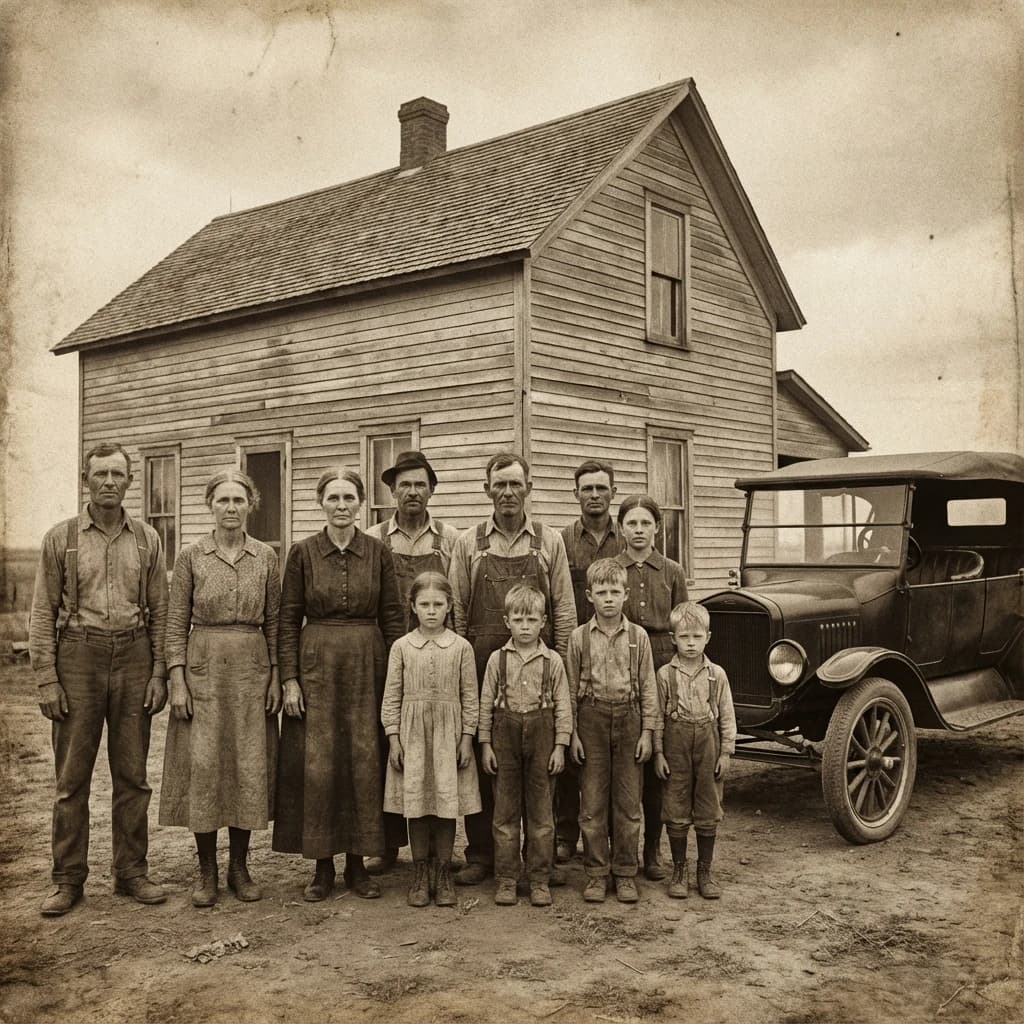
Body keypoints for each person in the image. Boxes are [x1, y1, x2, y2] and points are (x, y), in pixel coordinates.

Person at [29, 442, 169, 916]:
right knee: (72, 779)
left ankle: (131, 872)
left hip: (133, 655)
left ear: (131, 482)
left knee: (132, 774)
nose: (109, 482)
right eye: (100, 474)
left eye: (118, 475)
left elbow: (162, 613)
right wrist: (47, 679)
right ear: (85, 480)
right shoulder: (61, 538)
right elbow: (41, 613)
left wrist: (159, 673)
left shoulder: (147, 539)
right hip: (78, 657)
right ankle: (68, 878)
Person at [273, 468, 405, 900]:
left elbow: (392, 616)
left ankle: (358, 865)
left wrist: (395, 679)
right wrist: (290, 679)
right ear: (321, 503)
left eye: (350, 498)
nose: (342, 506)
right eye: (333, 498)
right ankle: (322, 867)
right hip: (317, 666)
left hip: (369, 665)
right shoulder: (302, 553)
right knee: (320, 764)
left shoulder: (378, 552)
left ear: (361, 503)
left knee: (364, 761)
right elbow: (288, 619)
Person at [448, 452, 576, 884]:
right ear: (487, 490)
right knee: (489, 769)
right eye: (499, 484)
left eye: (515, 484)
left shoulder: (548, 541)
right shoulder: (469, 543)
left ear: (528, 489)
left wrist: (563, 674)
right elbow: (457, 613)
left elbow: (564, 611)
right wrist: (464, 675)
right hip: (484, 667)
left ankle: (538, 860)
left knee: (540, 771)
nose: (507, 492)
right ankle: (483, 855)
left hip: (540, 672)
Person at [160, 469, 282, 907]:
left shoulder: (265, 556)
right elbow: (176, 621)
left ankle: (240, 868)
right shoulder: (192, 555)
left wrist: (274, 674)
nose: (231, 508)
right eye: (222, 500)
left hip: (251, 668)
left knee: (248, 765)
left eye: (238, 500)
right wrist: (177, 677)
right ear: (209, 505)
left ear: (251, 505)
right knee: (206, 766)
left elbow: (274, 621)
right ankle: (207, 870)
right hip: (203, 666)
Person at [365, 449, 460, 875]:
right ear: (391, 490)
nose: (413, 492)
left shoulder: (451, 539)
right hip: (388, 652)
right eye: (404, 485)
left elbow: (459, 602)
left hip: (437, 658)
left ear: (432, 490)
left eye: (421, 484)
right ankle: (386, 844)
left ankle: (442, 850)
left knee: (441, 748)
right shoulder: (373, 538)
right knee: (389, 746)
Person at [380, 572, 480, 908]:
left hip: (449, 736)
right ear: (413, 606)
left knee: (446, 805)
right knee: (418, 805)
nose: (432, 611)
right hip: (413, 736)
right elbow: (391, 697)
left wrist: (467, 738)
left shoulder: (461, 647)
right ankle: (420, 872)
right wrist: (394, 738)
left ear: (450, 606)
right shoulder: (402, 647)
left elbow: (470, 696)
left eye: (439, 604)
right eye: (425, 604)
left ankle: (442, 872)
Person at [567, 558, 659, 904]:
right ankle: (595, 872)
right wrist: (572, 734)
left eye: (614, 592)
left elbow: (649, 687)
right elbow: (570, 691)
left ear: (625, 595)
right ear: (589, 596)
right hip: (590, 720)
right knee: (591, 802)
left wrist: (648, 732)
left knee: (628, 802)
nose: (608, 598)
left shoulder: (639, 637)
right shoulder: (578, 638)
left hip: (629, 718)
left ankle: (624, 872)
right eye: (601, 592)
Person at [478, 584, 572, 908]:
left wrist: (560, 746)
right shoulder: (496, 660)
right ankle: (506, 877)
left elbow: (563, 707)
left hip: (542, 736)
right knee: (504, 811)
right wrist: (485, 744)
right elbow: (485, 704)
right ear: (507, 622)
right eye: (518, 619)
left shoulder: (554, 661)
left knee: (541, 813)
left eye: (532, 619)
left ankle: (539, 878)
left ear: (544, 621)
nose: (525, 626)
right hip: (504, 735)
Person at [615, 494, 688, 883]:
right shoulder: (611, 569)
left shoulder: (672, 571)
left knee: (660, 755)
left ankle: (652, 848)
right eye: (632, 524)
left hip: (662, 663)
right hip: (621, 660)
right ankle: (620, 847)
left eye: (646, 523)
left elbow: (684, 625)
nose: (639, 531)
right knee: (627, 757)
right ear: (621, 528)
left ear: (657, 527)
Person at [557, 459, 621, 863]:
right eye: (587, 488)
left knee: (612, 756)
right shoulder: (562, 540)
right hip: (573, 653)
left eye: (601, 488)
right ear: (575, 493)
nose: (594, 495)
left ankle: (612, 836)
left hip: (616, 656)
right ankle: (565, 834)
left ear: (612, 491)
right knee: (569, 742)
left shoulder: (625, 539)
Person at [653, 602, 736, 899]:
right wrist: (659, 753)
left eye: (696, 637)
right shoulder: (664, 675)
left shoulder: (718, 675)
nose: (690, 643)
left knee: (708, 805)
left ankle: (704, 871)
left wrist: (726, 752)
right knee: (675, 804)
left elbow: (727, 715)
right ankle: (679, 870)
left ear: (708, 637)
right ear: (673, 638)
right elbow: (656, 717)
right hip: (675, 746)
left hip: (708, 745)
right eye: (684, 637)